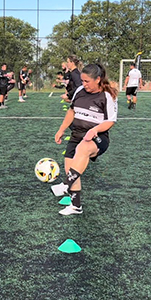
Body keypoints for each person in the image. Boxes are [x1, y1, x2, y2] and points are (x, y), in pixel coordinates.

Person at [51, 63, 118, 216]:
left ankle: (65, 185)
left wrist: (94, 130)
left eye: (87, 81)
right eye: (82, 81)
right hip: (77, 135)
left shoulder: (107, 96)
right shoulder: (80, 91)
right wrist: (61, 129)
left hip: (97, 138)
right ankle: (76, 206)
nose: (84, 84)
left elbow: (110, 121)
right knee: (71, 169)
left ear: (98, 79)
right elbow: (72, 111)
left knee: (83, 148)